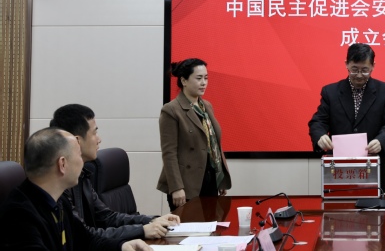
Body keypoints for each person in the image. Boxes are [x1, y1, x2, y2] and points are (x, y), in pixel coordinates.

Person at [0, 127, 151, 251]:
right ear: (62, 164)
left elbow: (87, 240)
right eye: (79, 156)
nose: (82, 163)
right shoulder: (19, 216)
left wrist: (122, 246)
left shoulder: (59, 200)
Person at [49, 104, 180, 240]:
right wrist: (141, 230)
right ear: (77, 141)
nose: (99, 139)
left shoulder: (82, 175)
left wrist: (152, 220)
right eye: (94, 133)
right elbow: (84, 236)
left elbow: (107, 217)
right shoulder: (58, 184)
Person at [308, 43, 385, 192]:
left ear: (373, 66)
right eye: (354, 69)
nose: (359, 75)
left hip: (371, 164)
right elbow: (318, 121)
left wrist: (381, 141)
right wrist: (320, 136)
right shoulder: (330, 92)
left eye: (364, 70)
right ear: (346, 64)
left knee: (372, 204)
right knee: (337, 205)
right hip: (337, 166)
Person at [157, 58, 232, 211]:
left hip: (210, 179)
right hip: (186, 184)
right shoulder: (171, 110)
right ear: (184, 80)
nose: (203, 83)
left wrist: (220, 178)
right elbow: (169, 153)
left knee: (211, 224)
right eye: (198, 78)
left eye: (206, 78)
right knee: (189, 225)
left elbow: (213, 144)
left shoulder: (206, 106)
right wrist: (176, 187)